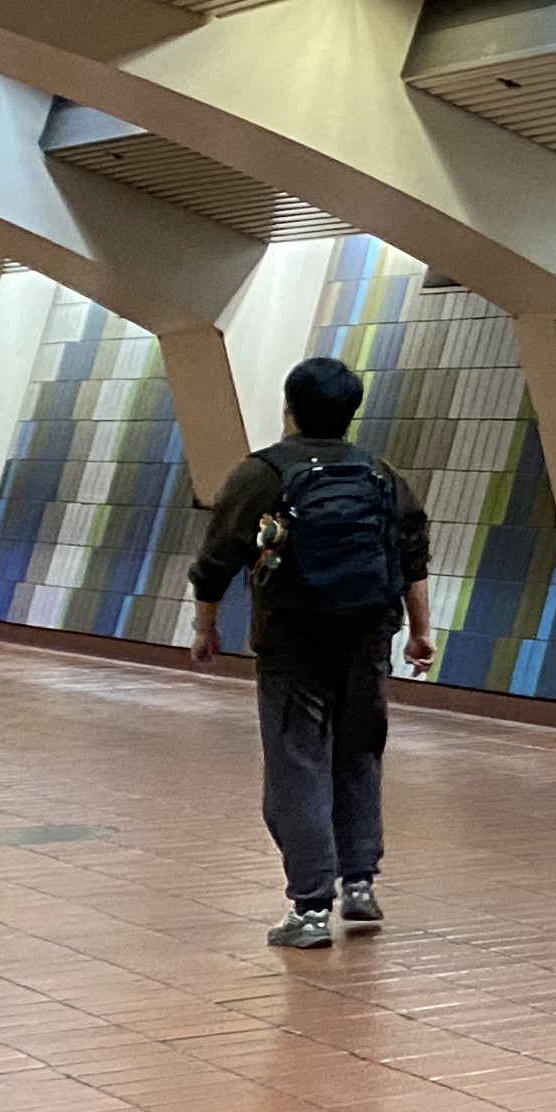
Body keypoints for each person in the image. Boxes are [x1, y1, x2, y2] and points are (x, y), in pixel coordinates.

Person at [189, 355, 436, 949]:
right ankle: (359, 883)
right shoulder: (380, 473)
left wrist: (206, 626)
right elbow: (412, 557)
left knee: (298, 766)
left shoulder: (262, 473)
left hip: (292, 644)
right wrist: (420, 632)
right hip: (369, 638)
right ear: (351, 413)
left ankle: (310, 909)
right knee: (358, 755)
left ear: (290, 409)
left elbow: (217, 557)